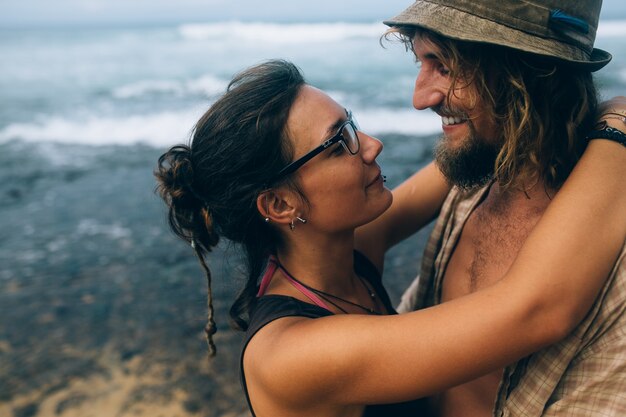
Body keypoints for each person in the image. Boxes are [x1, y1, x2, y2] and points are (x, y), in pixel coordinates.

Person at [154, 60, 626, 417]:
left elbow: (461, 159)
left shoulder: (346, 252)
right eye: (338, 142)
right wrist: (616, 129)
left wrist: (521, 87)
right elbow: (537, 311)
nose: (372, 144)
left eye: (352, 124)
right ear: (280, 205)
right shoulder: (293, 354)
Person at [383, 0, 626, 416]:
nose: (420, 98)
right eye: (421, 62)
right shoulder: (467, 191)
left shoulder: (611, 265)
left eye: (443, 65)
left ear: (528, 74)